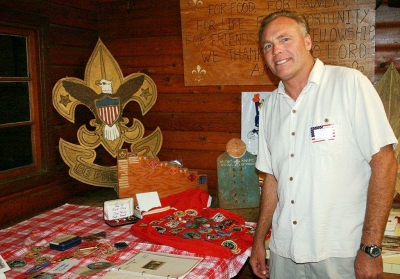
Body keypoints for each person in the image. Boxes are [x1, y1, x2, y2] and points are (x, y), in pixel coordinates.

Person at [249, 10, 398, 279]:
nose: (276, 51)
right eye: (268, 46)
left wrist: (371, 247)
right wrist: (259, 240)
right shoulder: (269, 106)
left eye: (285, 39)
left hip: (342, 253)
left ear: (307, 41)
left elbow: (385, 162)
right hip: (284, 252)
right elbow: (272, 177)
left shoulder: (349, 84)